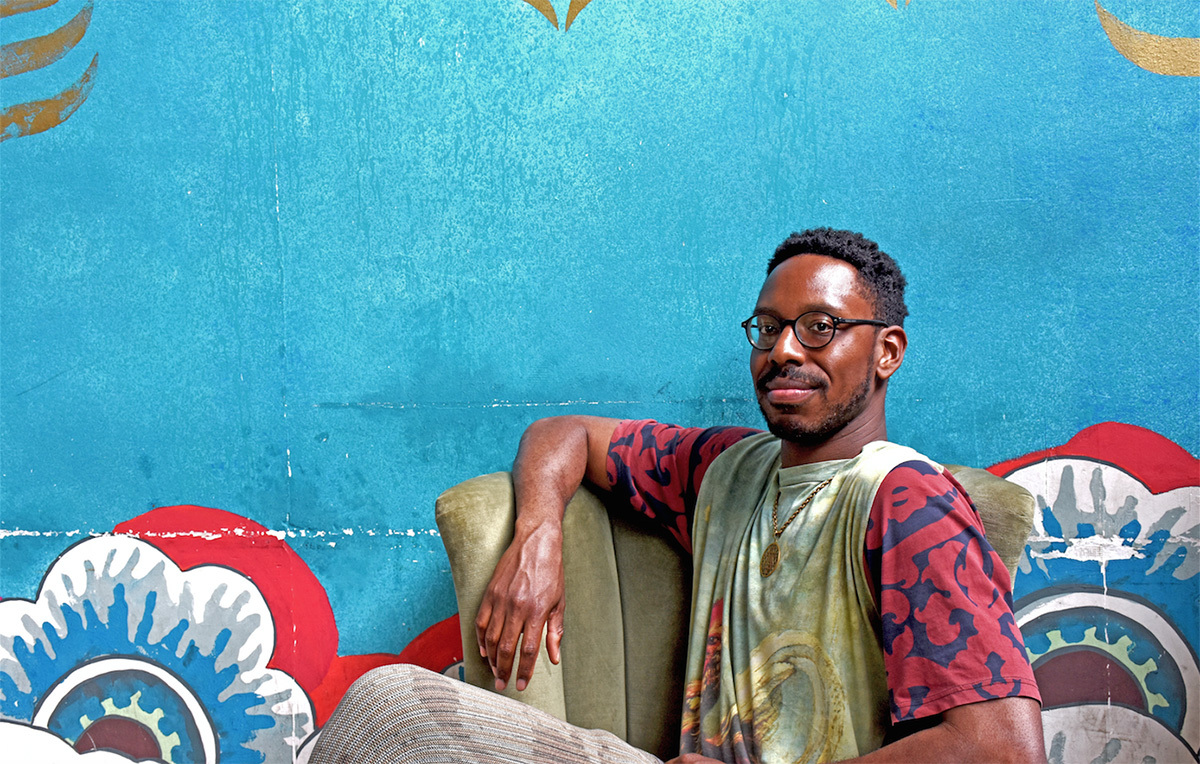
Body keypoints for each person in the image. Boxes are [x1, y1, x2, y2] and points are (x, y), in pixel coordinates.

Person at [311, 228, 1046, 764]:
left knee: (394, 710)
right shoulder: (726, 468)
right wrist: (538, 534)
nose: (785, 350)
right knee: (391, 710)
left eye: (820, 328)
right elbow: (566, 434)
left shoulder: (908, 500)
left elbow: (1001, 750)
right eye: (769, 328)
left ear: (887, 351)